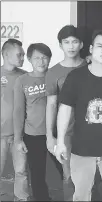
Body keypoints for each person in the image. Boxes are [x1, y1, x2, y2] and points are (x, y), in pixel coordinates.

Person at [54, 29, 102, 201]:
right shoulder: (76, 77)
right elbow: (65, 109)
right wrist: (60, 142)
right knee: (81, 195)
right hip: (81, 148)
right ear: (90, 49)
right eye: (100, 46)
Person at [44, 24, 93, 201]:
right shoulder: (53, 72)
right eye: (66, 42)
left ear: (81, 44)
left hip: (91, 132)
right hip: (67, 135)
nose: (71, 46)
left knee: (92, 177)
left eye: (74, 42)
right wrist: (50, 136)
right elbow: (51, 105)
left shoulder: (91, 66)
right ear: (60, 45)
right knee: (69, 177)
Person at [13, 43, 52, 201]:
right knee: (37, 173)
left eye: (44, 57)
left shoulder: (54, 75)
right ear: (29, 59)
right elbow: (19, 110)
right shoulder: (22, 80)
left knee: (67, 170)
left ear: (49, 59)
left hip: (56, 134)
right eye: (37, 58)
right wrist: (18, 139)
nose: (41, 61)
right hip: (33, 134)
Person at [0, 39, 30, 201]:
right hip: (0, 135)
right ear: (6, 54)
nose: (23, 58)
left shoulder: (24, 76)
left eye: (24, 55)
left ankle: (21, 198)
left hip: (19, 135)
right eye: (19, 54)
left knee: (21, 171)